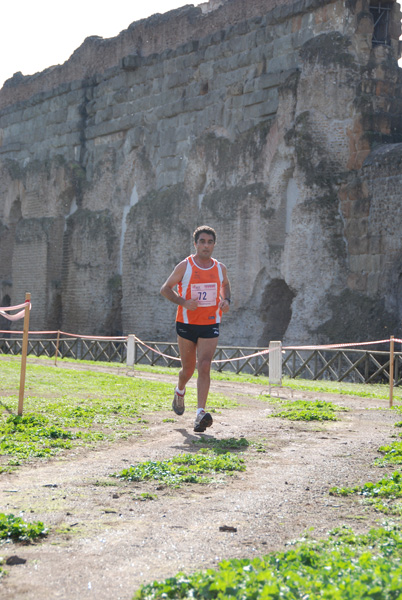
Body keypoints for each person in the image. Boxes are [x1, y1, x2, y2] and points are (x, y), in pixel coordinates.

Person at [160, 225, 231, 432]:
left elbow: (225, 285)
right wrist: (183, 302)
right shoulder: (186, 265)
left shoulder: (220, 268)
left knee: (205, 364)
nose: (206, 246)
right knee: (188, 369)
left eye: (210, 242)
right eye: (202, 241)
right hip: (187, 323)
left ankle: (200, 413)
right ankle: (180, 390)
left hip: (210, 322)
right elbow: (165, 289)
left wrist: (226, 300)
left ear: (214, 245)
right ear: (195, 244)